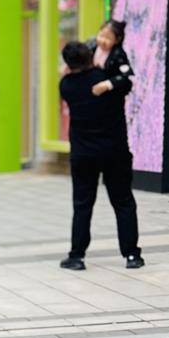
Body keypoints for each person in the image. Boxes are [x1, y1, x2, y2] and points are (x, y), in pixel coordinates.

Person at [58, 39, 143, 271]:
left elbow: (72, 75)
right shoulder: (106, 80)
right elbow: (127, 81)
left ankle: (76, 256)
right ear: (91, 57)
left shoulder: (66, 85)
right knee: (123, 202)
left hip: (83, 154)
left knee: (82, 205)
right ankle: (132, 255)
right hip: (115, 151)